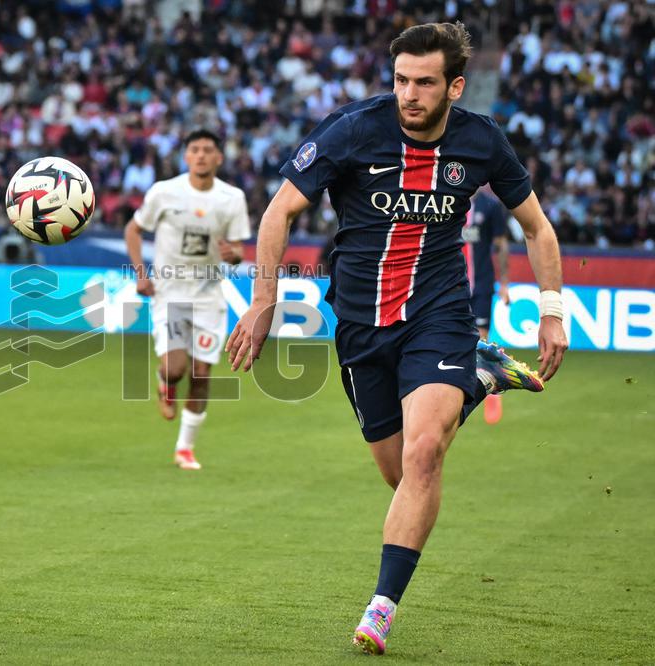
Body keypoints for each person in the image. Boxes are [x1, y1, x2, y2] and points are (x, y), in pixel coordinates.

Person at [226, 23, 567, 655]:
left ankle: (381, 607)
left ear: (454, 86)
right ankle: (480, 377)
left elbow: (537, 228)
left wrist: (553, 310)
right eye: (401, 80)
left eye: (425, 83)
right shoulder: (352, 130)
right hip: (359, 326)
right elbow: (278, 211)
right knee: (397, 473)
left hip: (438, 313)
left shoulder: (481, 140)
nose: (409, 94)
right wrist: (264, 302)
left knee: (424, 457)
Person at [124, 129, 251, 471]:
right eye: (194, 150)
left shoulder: (232, 198)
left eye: (208, 150)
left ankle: (185, 448)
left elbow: (238, 250)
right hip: (171, 293)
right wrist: (140, 274)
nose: (201, 156)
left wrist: (233, 254)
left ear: (218, 158)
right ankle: (165, 383)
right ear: (186, 156)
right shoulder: (164, 192)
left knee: (202, 373)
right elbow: (133, 230)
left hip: (209, 295)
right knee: (176, 368)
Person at [462, 186, 511, 424]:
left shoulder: (490, 206)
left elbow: (501, 244)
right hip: (451, 285)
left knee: (480, 341)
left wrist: (504, 282)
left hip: (480, 283)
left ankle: (489, 386)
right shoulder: (448, 201)